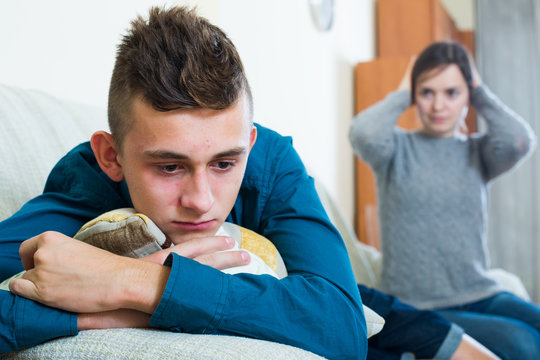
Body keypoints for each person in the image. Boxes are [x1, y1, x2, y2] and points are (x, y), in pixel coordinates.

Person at [0, 9, 503, 359]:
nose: (200, 201)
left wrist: (135, 284)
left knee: (520, 341)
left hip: (359, 296)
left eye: (224, 162)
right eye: (169, 166)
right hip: (322, 301)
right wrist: (129, 313)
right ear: (113, 156)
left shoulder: (272, 160)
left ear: (249, 143)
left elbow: (341, 320)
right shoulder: (85, 181)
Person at [349, 41, 540, 359]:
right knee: (523, 344)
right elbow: (363, 133)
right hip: (419, 304)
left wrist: (479, 91)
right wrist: (403, 91)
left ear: (469, 95)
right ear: (414, 94)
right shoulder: (394, 149)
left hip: (480, 293)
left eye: (452, 93)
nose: (439, 105)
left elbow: (519, 140)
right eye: (427, 92)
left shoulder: (478, 152)